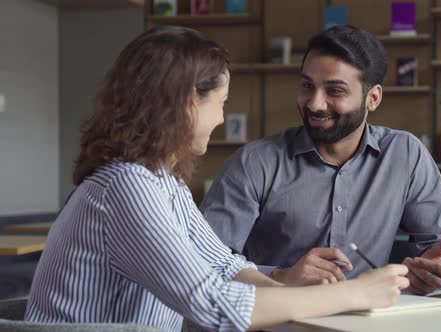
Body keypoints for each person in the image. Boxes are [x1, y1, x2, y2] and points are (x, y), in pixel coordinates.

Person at [24, 26, 410, 332]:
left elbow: (223, 265)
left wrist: (290, 293)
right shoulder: (125, 186)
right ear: (184, 103)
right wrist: (354, 294)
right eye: (220, 103)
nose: (222, 119)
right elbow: (213, 305)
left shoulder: (161, 181)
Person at [201, 25, 441, 295]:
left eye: (335, 91)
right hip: (279, 320)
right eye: (307, 86)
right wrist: (282, 276)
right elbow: (201, 262)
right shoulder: (255, 163)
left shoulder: (405, 154)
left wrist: (438, 270)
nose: (315, 104)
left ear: (372, 99)